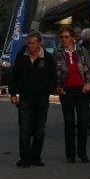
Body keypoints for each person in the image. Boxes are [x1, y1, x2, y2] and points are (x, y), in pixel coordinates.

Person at [9, 30, 57, 168]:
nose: (30, 45)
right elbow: (15, 75)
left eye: (32, 43)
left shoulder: (47, 58)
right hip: (25, 98)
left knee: (39, 130)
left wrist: (47, 92)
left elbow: (53, 79)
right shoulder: (21, 56)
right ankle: (25, 158)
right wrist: (13, 94)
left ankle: (36, 157)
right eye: (28, 43)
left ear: (39, 43)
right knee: (24, 129)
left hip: (41, 99)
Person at [56, 25, 90, 163]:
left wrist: (88, 83)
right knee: (69, 122)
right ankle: (70, 155)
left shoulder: (81, 51)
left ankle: (82, 153)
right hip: (66, 91)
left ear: (72, 38)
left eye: (66, 37)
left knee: (83, 122)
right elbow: (55, 73)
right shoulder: (58, 53)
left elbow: (89, 68)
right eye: (62, 37)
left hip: (81, 89)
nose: (64, 39)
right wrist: (58, 88)